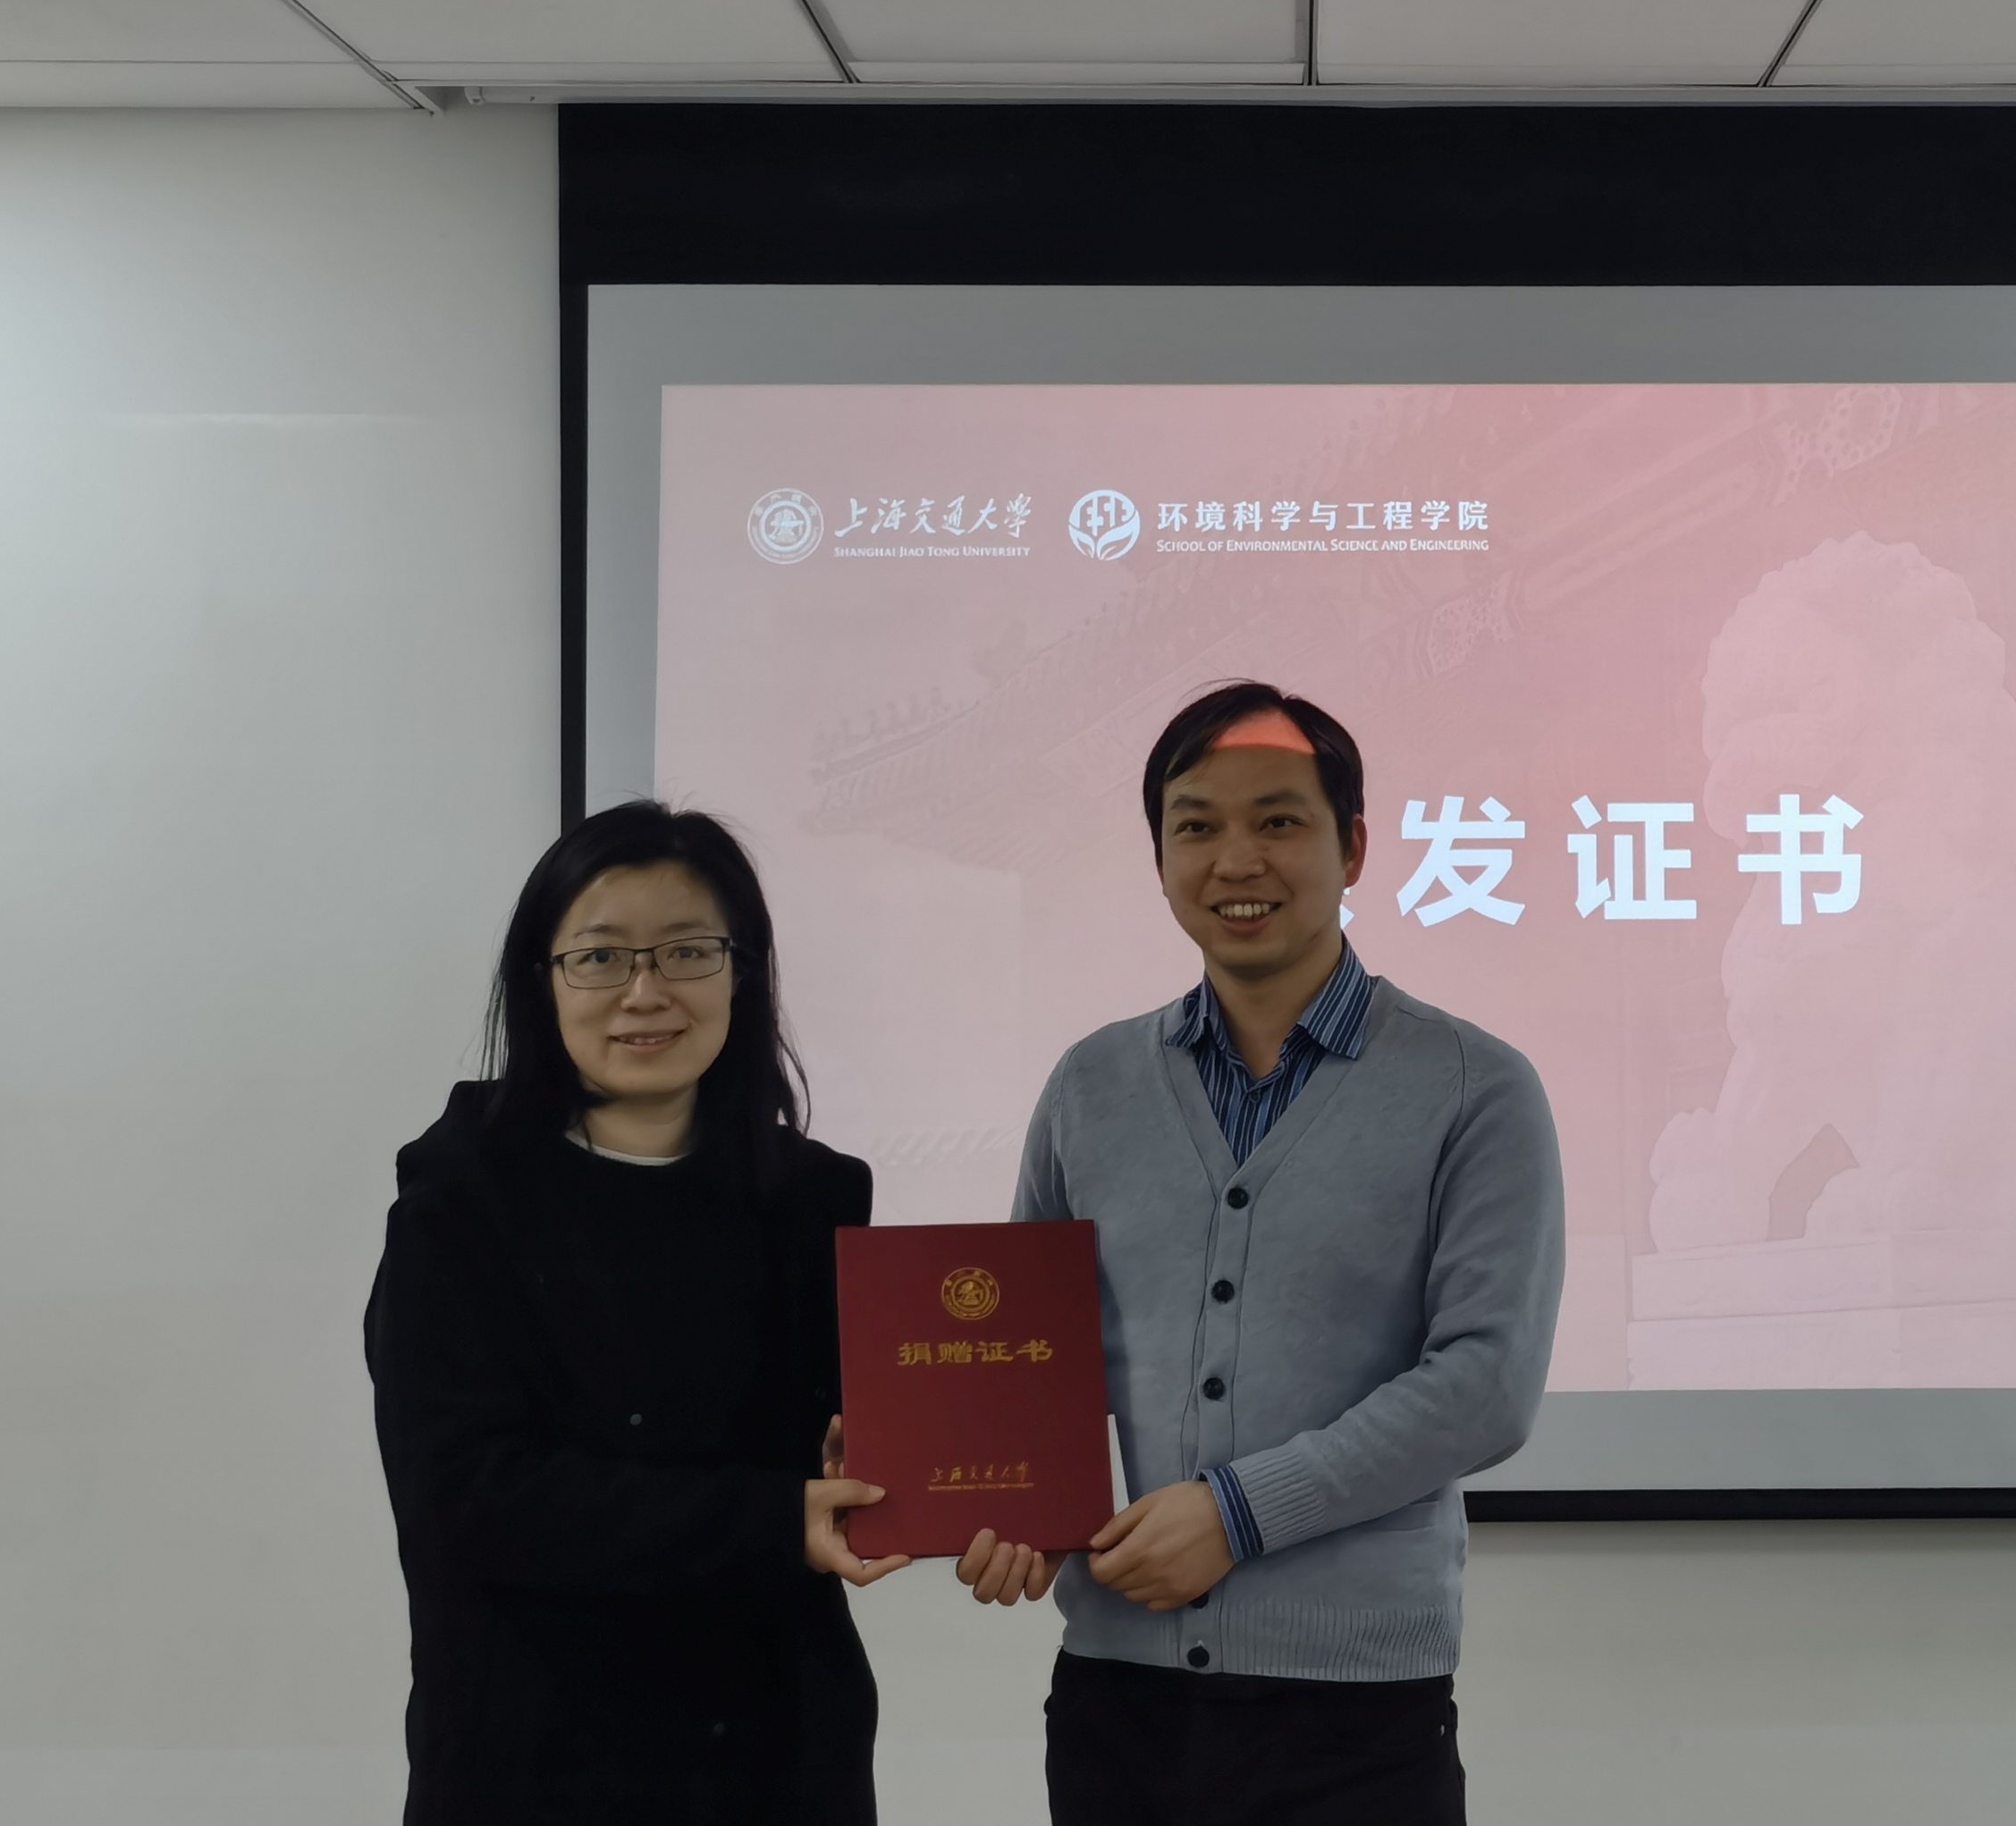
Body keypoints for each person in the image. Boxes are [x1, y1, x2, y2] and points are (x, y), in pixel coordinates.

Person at [959, 683, 1566, 1826]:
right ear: (1159, 858)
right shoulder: (1090, 1086)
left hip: (1357, 1715)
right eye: (1196, 825)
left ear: (1353, 847)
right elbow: (1028, 1357)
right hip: (1115, 1698)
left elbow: (1485, 1386)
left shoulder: (1473, 1089)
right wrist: (968, 1475)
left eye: (1279, 821)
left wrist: (1237, 1514)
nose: (1236, 860)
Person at [365, 801, 908, 1826]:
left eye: (689, 951)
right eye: (601, 958)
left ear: (742, 972)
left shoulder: (817, 1198)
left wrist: (931, 1485)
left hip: (778, 1752)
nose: (646, 992)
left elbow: (841, 1456)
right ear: (542, 979)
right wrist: (771, 1518)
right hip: (537, 1755)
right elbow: (466, 1501)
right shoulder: (460, 1205)